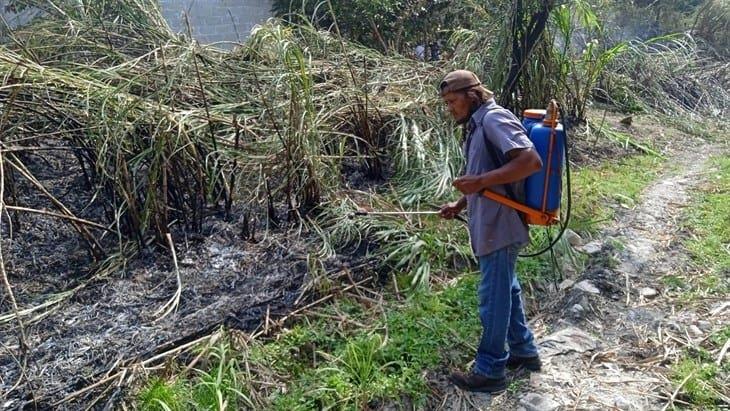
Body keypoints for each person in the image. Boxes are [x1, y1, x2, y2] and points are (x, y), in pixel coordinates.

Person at [438, 70, 543, 393]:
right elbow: (485, 175)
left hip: (501, 224)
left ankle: (490, 370)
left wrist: (480, 183)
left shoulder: (494, 119)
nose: (450, 109)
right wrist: (461, 203)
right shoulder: (477, 124)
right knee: (506, 290)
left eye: (453, 101)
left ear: (471, 96)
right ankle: (524, 352)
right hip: (491, 223)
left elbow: (531, 161)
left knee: (492, 298)